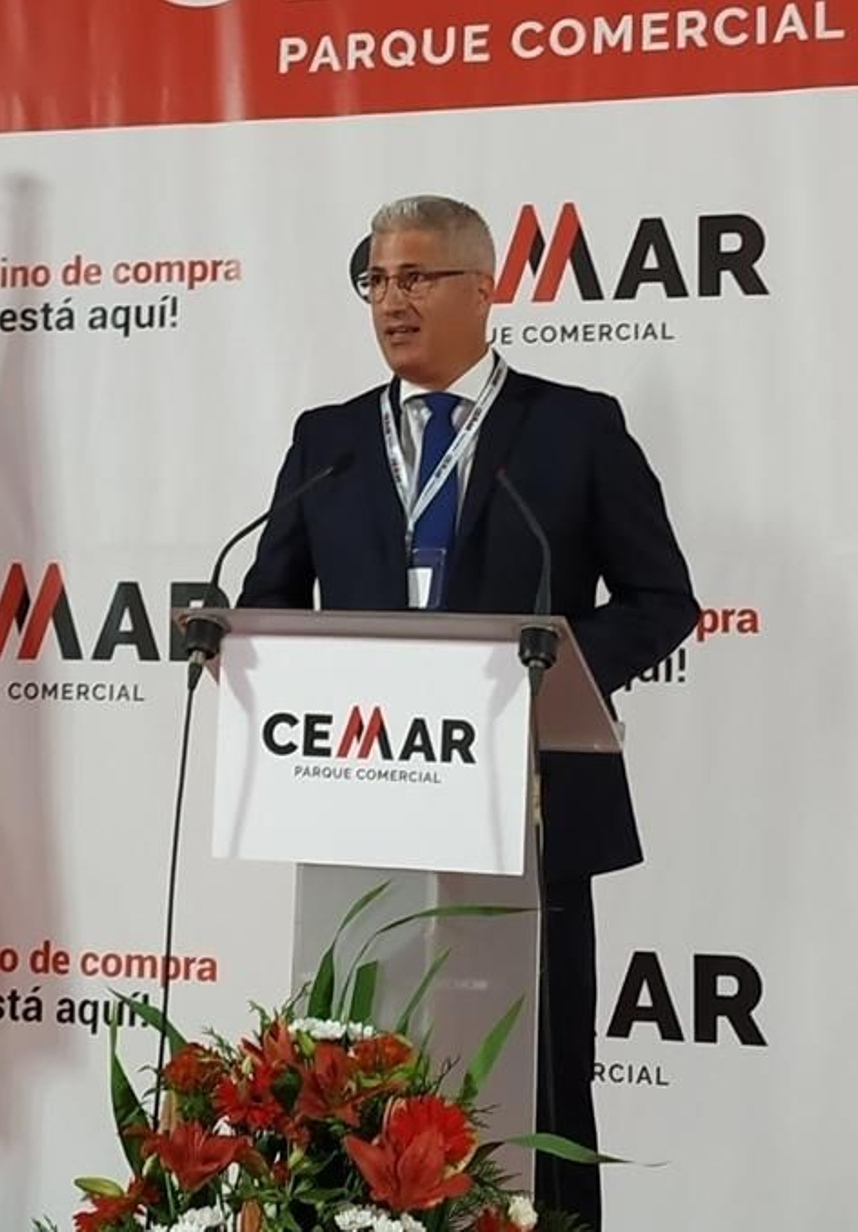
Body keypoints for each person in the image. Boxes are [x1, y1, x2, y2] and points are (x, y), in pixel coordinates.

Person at [237, 194, 698, 1228]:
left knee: (537, 1091)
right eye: (376, 281)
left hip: (528, 814)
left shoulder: (574, 429)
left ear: (482, 286)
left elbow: (663, 602)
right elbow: (268, 602)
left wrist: (541, 676)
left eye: (414, 278)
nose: (389, 302)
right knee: (357, 1088)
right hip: (364, 813)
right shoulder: (330, 440)